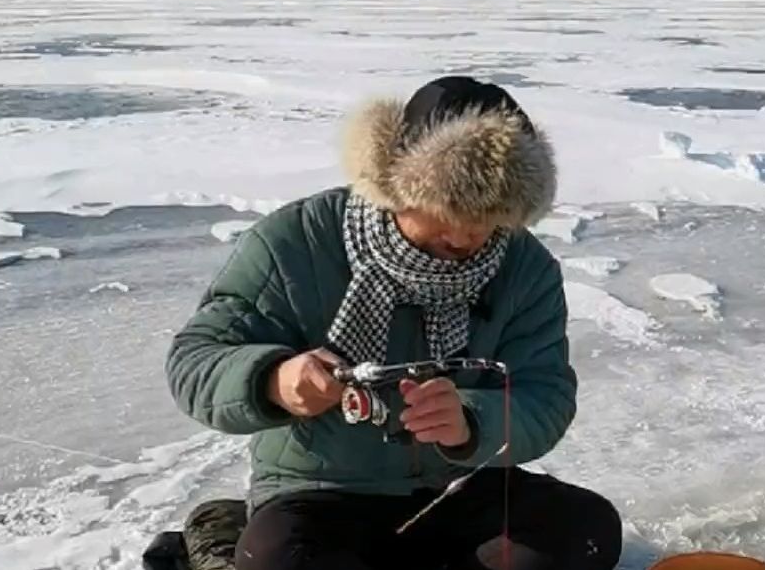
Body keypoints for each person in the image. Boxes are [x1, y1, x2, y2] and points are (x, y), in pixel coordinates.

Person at [164, 76, 623, 570]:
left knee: (585, 531)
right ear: (395, 185)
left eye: (491, 216)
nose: (468, 233)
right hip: (323, 493)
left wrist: (471, 423)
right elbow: (195, 362)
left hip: (460, 486)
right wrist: (273, 381)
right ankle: (224, 533)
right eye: (451, 207)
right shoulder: (294, 241)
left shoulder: (524, 268)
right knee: (281, 559)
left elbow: (545, 394)